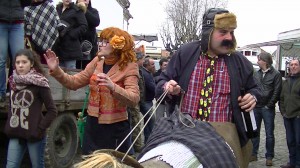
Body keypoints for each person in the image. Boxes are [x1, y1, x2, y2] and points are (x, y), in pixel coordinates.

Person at [155, 8, 261, 167]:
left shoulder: (239, 60)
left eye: (231, 32)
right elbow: (162, 80)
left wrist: (253, 96)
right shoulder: (186, 52)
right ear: (208, 33)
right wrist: (167, 86)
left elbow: (257, 89)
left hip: (223, 138)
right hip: (184, 133)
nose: (229, 38)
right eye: (223, 32)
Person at [44, 27, 140, 155]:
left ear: (117, 45)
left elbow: (134, 99)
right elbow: (74, 82)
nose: (100, 44)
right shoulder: (97, 61)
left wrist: (113, 87)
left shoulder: (129, 66)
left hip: (116, 128)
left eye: (105, 41)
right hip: (93, 125)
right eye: (100, 40)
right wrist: (56, 70)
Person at [4, 49, 57, 168]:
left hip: (34, 135)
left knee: (37, 165)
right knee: (10, 166)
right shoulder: (12, 82)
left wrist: (39, 130)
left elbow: (52, 111)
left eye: (24, 62)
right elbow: (12, 107)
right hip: (16, 133)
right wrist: (9, 125)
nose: (20, 65)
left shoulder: (40, 83)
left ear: (31, 63)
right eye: (17, 62)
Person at [250, 52, 282, 166]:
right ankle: (253, 154)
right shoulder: (256, 74)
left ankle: (269, 157)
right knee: (255, 132)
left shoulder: (276, 74)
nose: (257, 61)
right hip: (256, 107)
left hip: (268, 108)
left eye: (259, 59)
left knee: (269, 134)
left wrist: (269, 105)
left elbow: (277, 91)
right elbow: (253, 87)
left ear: (265, 61)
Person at [0, 0, 32, 103]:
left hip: (17, 22)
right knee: (1, 60)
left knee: (18, 59)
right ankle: (1, 93)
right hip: (1, 22)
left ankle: (15, 91)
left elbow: (27, 2)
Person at [53, 0, 87, 69]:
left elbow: (84, 26)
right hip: (58, 48)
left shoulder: (77, 10)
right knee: (58, 73)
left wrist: (72, 34)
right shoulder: (57, 8)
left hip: (71, 48)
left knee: (70, 73)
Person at [279, 59, 300, 168]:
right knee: (290, 141)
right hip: (287, 116)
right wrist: (283, 112)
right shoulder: (286, 81)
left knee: (298, 142)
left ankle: (298, 164)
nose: (293, 66)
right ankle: (291, 163)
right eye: (291, 65)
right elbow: (281, 98)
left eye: (296, 64)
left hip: (297, 117)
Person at [127, 49, 145, 153]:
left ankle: (135, 146)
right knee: (135, 123)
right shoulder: (133, 70)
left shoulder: (138, 69)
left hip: (137, 101)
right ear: (137, 59)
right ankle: (136, 147)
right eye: (142, 59)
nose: (143, 61)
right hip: (133, 102)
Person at [75, 0, 100, 69]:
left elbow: (96, 22)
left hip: (89, 47)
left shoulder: (93, 11)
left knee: (86, 69)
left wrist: (84, 9)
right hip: (74, 45)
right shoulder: (73, 10)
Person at [140, 57, 156, 143]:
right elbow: (152, 87)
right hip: (145, 101)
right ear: (147, 65)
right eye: (152, 64)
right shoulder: (145, 74)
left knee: (147, 121)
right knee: (151, 119)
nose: (154, 66)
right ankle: (150, 140)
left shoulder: (148, 73)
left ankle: (147, 140)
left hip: (148, 100)